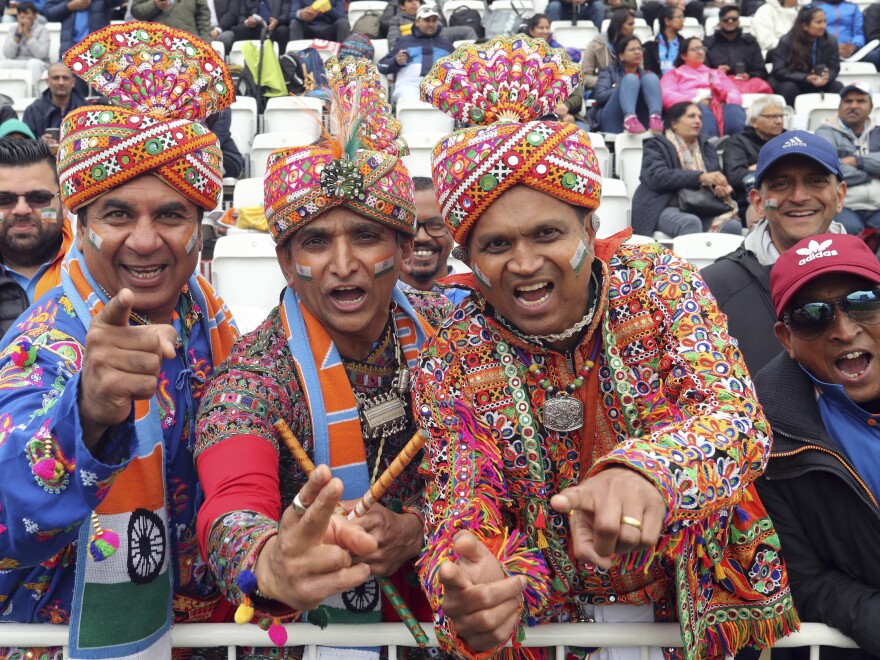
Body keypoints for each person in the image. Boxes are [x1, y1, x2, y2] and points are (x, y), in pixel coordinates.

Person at [413, 34, 797, 660]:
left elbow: (736, 420)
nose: (525, 263)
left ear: (590, 228)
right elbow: (460, 492)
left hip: (694, 617)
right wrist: (471, 577)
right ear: (467, 257)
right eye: (496, 245)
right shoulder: (454, 351)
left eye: (548, 233)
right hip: (552, 631)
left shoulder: (655, 281)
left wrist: (647, 470)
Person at [0, 23, 238, 659]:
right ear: (79, 224)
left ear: (199, 227)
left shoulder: (208, 314)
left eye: (170, 215)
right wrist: (88, 415)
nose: (143, 240)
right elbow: (5, 514)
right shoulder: (46, 337)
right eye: (117, 215)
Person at [194, 57, 446, 654]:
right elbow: (232, 502)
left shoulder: (451, 337)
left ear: (405, 248)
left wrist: (414, 531)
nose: (341, 265)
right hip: (308, 636)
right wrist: (270, 562)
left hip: (442, 619)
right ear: (285, 262)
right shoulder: (256, 373)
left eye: (365, 235)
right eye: (314, 241)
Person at [754, 232, 880, 658]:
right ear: (786, 338)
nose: (845, 330)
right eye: (813, 316)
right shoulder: (765, 441)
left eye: (863, 300)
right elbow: (805, 581)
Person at [702, 130, 847, 375]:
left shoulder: (871, 280)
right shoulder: (711, 288)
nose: (799, 197)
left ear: (839, 195)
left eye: (816, 181)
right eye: (781, 184)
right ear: (759, 203)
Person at [632, 102, 741, 237]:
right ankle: (688, 259)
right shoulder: (656, 145)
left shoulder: (706, 147)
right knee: (690, 222)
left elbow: (713, 179)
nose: (697, 121)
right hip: (664, 207)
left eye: (700, 117)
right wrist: (700, 177)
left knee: (732, 226)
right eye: (691, 116)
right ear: (674, 124)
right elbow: (656, 177)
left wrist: (720, 190)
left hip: (702, 206)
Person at [0, 138, 72, 340]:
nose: (21, 209)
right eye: (4, 199)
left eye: (39, 198)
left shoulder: (97, 269)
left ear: (64, 203)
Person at [815, 82, 880, 235]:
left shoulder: (878, 132)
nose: (853, 105)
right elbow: (828, 170)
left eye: (861, 101)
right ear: (839, 106)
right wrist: (871, 173)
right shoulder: (825, 132)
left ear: (871, 107)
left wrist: (857, 161)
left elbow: (840, 168)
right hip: (844, 205)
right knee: (845, 231)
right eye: (848, 101)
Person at [398, 176, 468, 307]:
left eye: (436, 225)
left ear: (453, 231)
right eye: (410, 224)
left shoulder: (479, 303)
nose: (422, 237)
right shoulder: (373, 304)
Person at [660, 37, 746, 138]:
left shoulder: (717, 73)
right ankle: (709, 144)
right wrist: (695, 101)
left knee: (734, 110)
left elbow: (734, 93)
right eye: (695, 49)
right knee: (699, 110)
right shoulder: (673, 74)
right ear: (683, 55)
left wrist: (724, 100)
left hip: (719, 106)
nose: (700, 52)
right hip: (691, 107)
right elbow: (667, 95)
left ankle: (736, 144)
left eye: (702, 48)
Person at [722, 95, 787, 222]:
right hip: (751, 200)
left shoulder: (789, 139)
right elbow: (735, 176)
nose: (779, 121)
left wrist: (757, 168)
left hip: (788, 195)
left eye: (781, 116)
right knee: (768, 205)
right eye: (772, 117)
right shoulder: (738, 142)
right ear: (754, 121)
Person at [378, 5, 453, 104]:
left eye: (434, 20)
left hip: (440, 86)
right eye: (427, 20)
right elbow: (381, 66)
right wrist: (396, 61)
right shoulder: (403, 41)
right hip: (409, 85)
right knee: (410, 101)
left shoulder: (446, 43)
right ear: (417, 22)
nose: (431, 24)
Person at [770, 6, 843, 108]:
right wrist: (805, 77)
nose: (823, 26)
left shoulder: (830, 41)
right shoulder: (786, 41)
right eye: (819, 22)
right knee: (789, 88)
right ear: (805, 26)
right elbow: (778, 70)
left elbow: (834, 67)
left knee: (837, 86)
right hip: (793, 81)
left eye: (824, 21)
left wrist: (827, 76)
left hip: (817, 81)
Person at [589, 35, 663, 134]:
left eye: (639, 49)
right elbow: (600, 96)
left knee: (651, 78)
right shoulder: (609, 72)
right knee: (631, 80)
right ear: (621, 56)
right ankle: (629, 118)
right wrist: (624, 89)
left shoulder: (646, 76)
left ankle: (655, 118)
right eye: (632, 49)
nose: (637, 52)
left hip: (641, 117)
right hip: (612, 117)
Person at [525, 13, 584, 124]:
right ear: (531, 31)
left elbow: (577, 98)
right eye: (541, 27)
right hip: (534, 118)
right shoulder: (523, 65)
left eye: (547, 27)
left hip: (565, 116)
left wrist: (566, 106)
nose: (545, 31)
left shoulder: (559, 61)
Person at [703, 5, 773, 96]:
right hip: (720, 86)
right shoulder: (708, 44)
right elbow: (701, 73)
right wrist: (717, 73)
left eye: (734, 19)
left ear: (739, 22)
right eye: (726, 19)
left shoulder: (750, 43)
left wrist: (749, 75)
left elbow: (761, 72)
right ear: (719, 22)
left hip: (748, 85)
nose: (730, 21)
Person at [21, 62, 87, 149]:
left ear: (73, 82)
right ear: (47, 81)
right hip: (44, 160)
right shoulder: (33, 111)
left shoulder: (86, 109)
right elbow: (24, 148)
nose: (61, 82)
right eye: (56, 78)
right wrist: (40, 145)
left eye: (65, 78)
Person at [43, 0, 125, 60]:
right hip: (70, 51)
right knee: (67, 81)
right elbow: (49, 13)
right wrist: (68, 6)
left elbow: (118, 2)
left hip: (99, 52)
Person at [217, 0, 289, 62]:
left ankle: (281, 64)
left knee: (283, 31)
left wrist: (277, 21)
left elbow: (286, 14)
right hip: (253, 29)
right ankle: (240, 66)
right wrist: (247, 21)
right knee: (240, 29)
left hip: (273, 29)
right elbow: (240, 16)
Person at [0, 1, 49, 92]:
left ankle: (36, 95)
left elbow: (41, 54)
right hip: (19, 61)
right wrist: (18, 35)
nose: (22, 16)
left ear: (35, 16)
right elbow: (8, 55)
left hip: (39, 63)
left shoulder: (42, 30)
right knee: (2, 64)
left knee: (33, 63)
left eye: (26, 13)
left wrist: (27, 34)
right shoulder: (13, 29)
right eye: (20, 14)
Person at [581, 8, 634, 93]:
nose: (633, 28)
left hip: (630, 89)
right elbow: (584, 77)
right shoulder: (596, 45)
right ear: (618, 25)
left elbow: (640, 72)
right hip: (600, 91)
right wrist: (607, 82)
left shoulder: (635, 47)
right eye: (630, 24)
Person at [816, 0, 880, 68]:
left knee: (875, 56)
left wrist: (854, 47)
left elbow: (859, 33)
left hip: (851, 52)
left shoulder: (852, 7)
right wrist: (833, 47)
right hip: (823, 50)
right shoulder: (814, 7)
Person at [386, 0, 476, 48]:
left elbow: (440, 25)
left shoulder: (429, 10)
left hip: (437, 36)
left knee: (468, 31)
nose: (414, 3)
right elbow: (393, 43)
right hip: (413, 42)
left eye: (417, 1)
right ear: (402, 6)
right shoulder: (397, 20)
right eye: (410, 1)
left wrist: (430, 21)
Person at [131, 0, 213, 41]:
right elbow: (136, 10)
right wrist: (155, 6)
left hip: (187, 43)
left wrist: (205, 41)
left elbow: (203, 16)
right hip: (156, 42)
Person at [643, 4, 684, 76]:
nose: (683, 20)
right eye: (679, 17)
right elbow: (648, 70)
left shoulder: (684, 43)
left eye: (683, 17)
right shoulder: (651, 45)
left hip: (679, 83)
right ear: (667, 21)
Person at [205, 107, 245, 180]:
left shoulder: (222, 108)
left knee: (203, 166)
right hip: (201, 156)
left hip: (228, 157)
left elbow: (215, 141)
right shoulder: (185, 111)